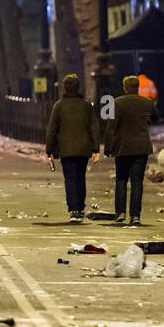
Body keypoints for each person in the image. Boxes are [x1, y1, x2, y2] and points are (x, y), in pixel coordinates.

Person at [45, 74, 101, 222]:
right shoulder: (86, 105)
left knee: (70, 178)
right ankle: (81, 208)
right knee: (80, 178)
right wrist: (96, 149)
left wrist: (49, 150)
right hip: (83, 148)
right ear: (78, 87)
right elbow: (94, 127)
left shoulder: (59, 105)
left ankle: (73, 210)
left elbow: (52, 129)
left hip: (66, 149)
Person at [105, 75, 159, 226]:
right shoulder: (147, 102)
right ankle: (135, 216)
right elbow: (156, 117)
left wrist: (109, 147)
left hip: (123, 147)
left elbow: (111, 126)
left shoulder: (116, 103)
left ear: (124, 88)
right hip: (141, 146)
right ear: (138, 87)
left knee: (121, 179)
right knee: (137, 181)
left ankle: (120, 213)